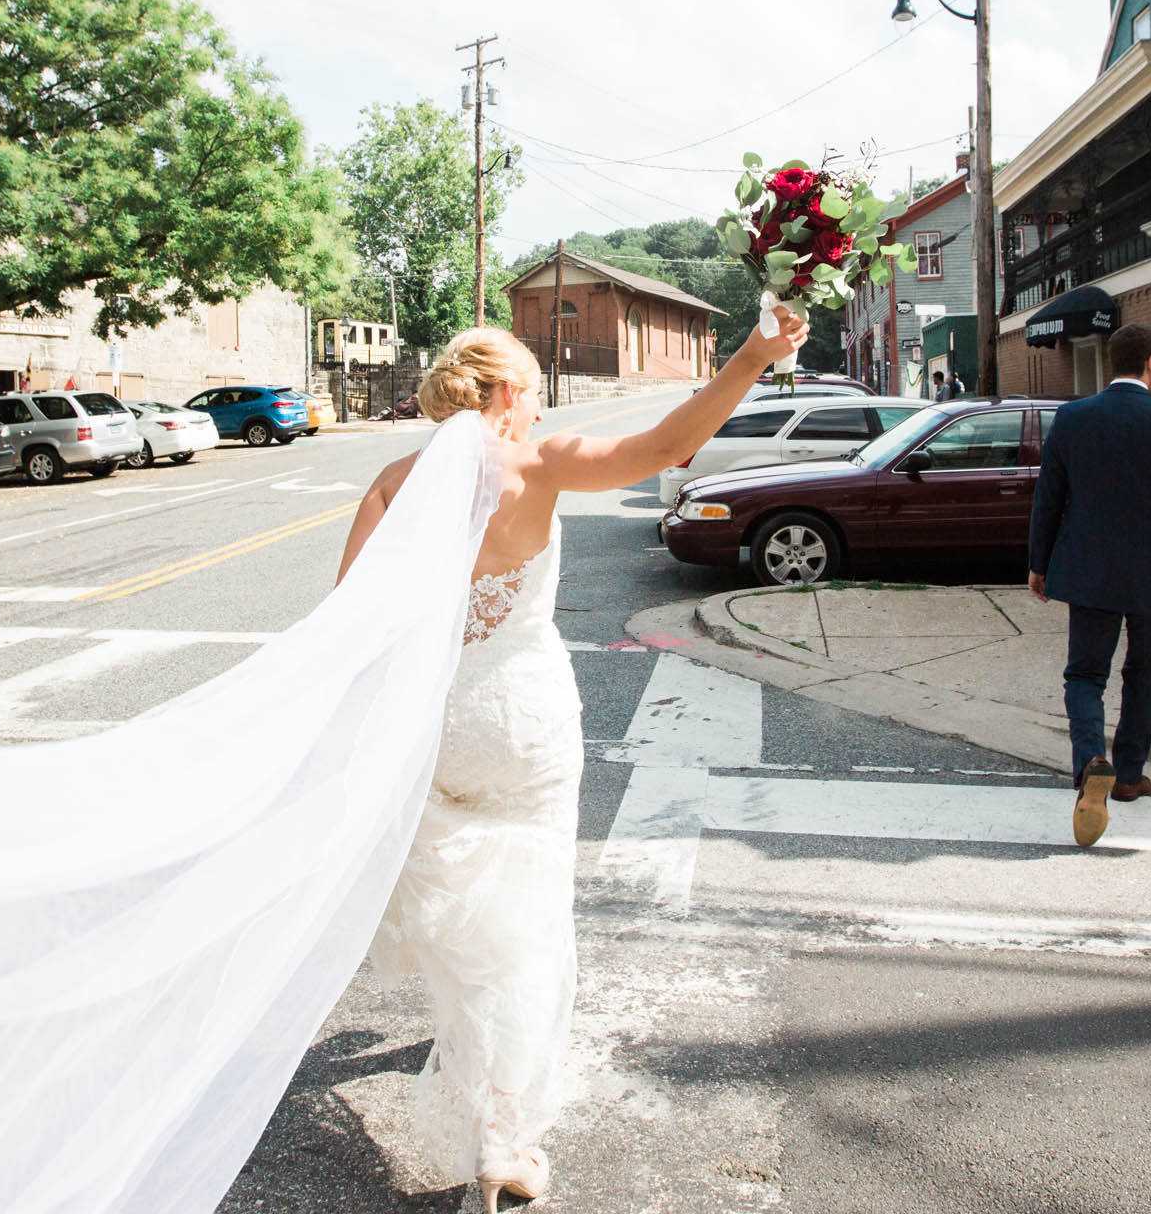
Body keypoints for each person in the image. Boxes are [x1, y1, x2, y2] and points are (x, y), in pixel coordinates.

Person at [338, 307, 809, 1212]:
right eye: (534, 397)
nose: (538, 413)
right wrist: (752, 354)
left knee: (469, 915)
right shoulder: (538, 465)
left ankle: (478, 1077)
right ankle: (506, 1143)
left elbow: (351, 622)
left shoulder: (395, 484)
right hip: (523, 717)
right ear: (511, 393)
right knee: (531, 918)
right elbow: (670, 444)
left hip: (437, 724)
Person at [1025, 322, 1151, 848]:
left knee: (1085, 673)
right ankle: (1130, 773)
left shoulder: (1072, 419)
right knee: (1146, 670)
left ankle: (1092, 759)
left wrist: (1038, 562)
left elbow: (1049, 498)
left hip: (1089, 569)